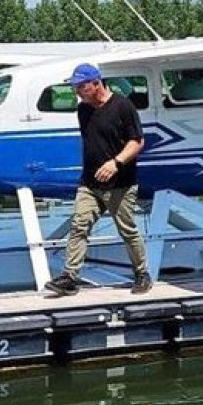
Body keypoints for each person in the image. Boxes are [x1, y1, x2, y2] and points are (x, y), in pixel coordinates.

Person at [45, 63, 153, 296]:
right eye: (75, 87)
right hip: (90, 182)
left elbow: (137, 141)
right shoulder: (83, 109)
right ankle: (70, 277)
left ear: (96, 83)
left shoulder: (123, 106)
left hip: (120, 183)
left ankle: (142, 273)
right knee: (79, 226)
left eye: (81, 87)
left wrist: (116, 163)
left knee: (127, 229)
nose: (77, 92)